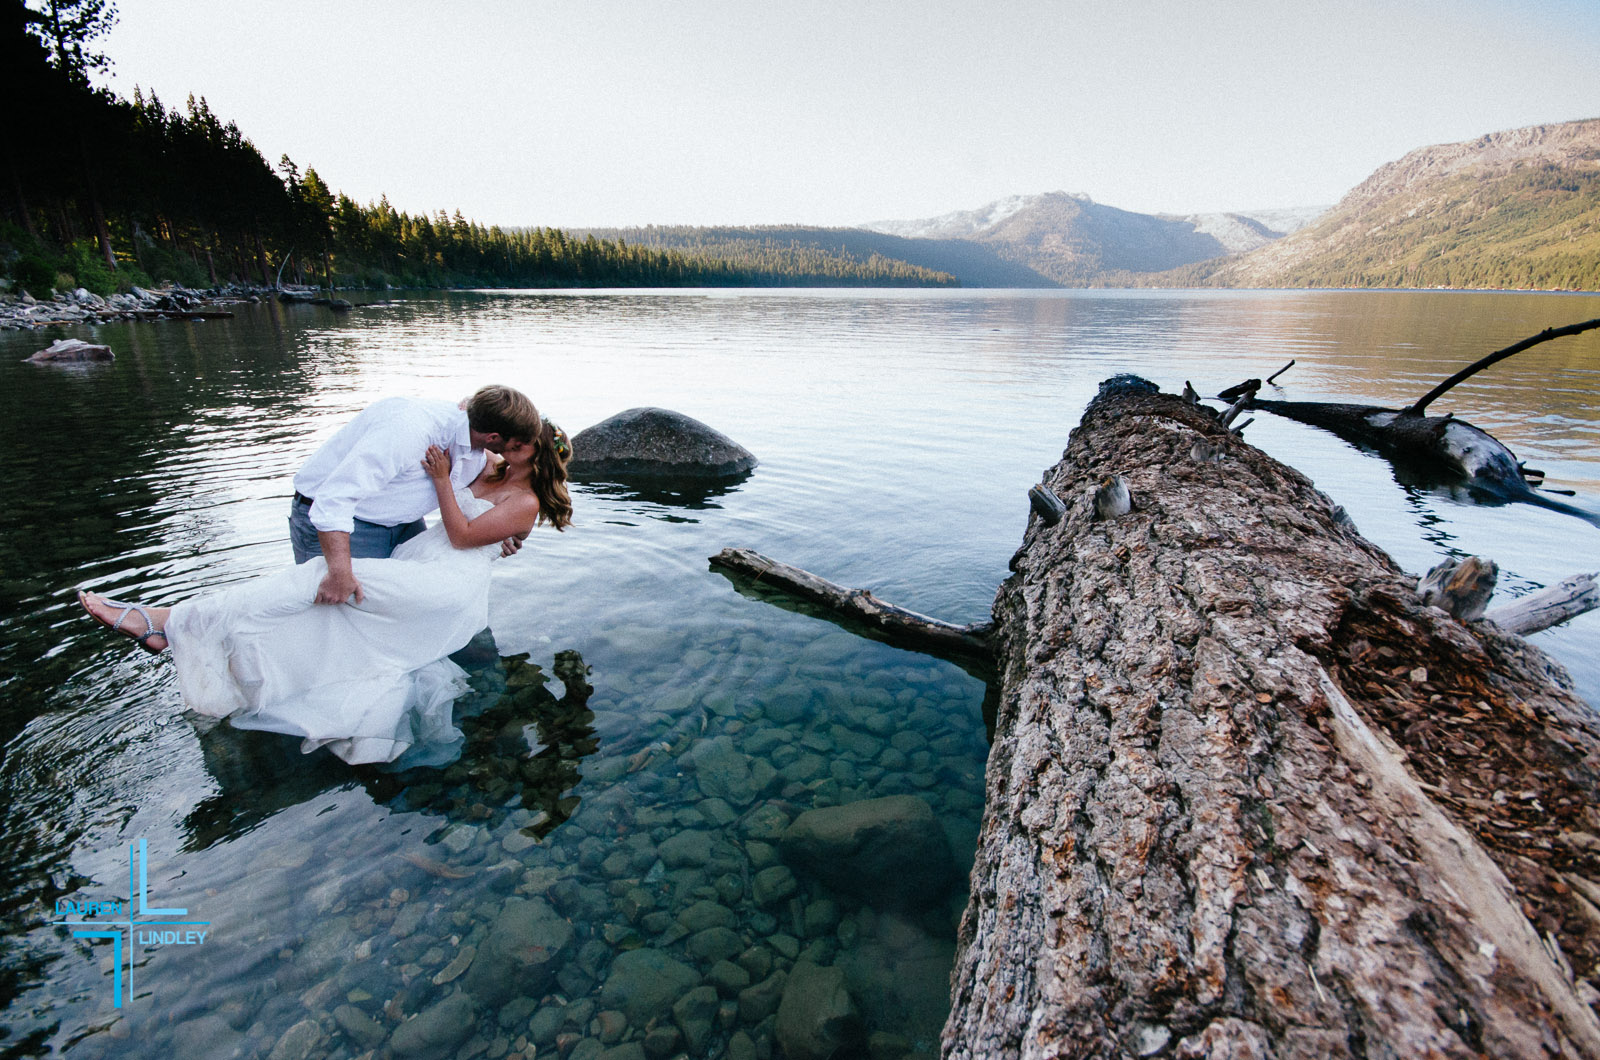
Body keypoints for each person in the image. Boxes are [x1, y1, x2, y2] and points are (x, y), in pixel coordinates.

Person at [77, 418, 574, 765]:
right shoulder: (490, 468)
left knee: (319, 577)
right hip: (417, 565)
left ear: (539, 455)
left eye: (524, 441)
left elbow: (465, 536)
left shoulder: (525, 500)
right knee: (325, 614)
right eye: (512, 437)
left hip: (444, 587)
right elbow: (470, 417)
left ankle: (167, 621)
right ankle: (222, 655)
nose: (511, 442)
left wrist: (442, 481)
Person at [290, 386, 542, 607]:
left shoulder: (480, 441)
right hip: (345, 526)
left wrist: (497, 535)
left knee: (400, 612)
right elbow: (335, 498)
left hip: (405, 526)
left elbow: (493, 498)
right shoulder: (409, 431)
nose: (514, 451)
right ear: (494, 437)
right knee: (336, 608)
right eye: (515, 446)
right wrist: (339, 572)